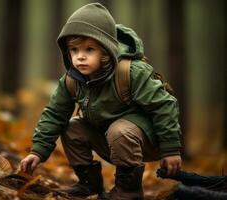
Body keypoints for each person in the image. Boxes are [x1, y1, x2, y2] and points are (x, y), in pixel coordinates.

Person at [19, 3, 182, 200]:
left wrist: (171, 149)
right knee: (71, 127)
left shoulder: (130, 72)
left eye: (89, 49)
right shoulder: (72, 80)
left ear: (106, 51)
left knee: (119, 130)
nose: (80, 57)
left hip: (146, 140)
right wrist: (37, 152)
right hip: (110, 139)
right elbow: (54, 114)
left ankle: (128, 191)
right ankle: (89, 185)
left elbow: (164, 105)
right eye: (74, 49)